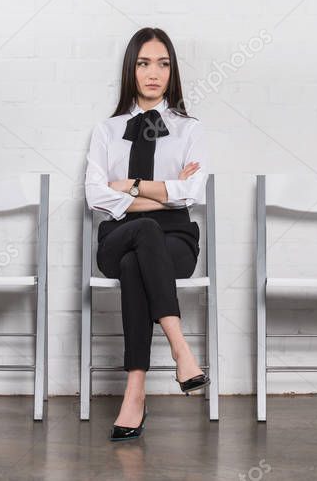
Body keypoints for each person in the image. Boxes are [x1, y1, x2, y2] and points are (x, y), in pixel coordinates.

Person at [84, 27, 210, 442]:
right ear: (130, 70)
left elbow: (192, 192)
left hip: (175, 241)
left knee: (137, 256)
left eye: (163, 63)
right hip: (118, 235)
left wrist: (129, 186)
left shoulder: (189, 129)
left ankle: (134, 391)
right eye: (143, 63)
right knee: (140, 234)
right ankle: (181, 348)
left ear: (172, 71)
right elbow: (95, 196)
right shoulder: (107, 129)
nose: (153, 73)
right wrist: (163, 192)